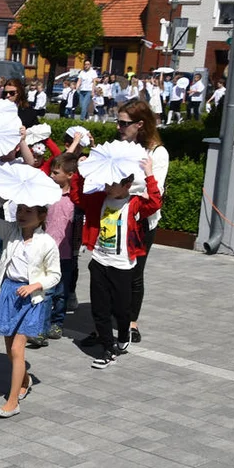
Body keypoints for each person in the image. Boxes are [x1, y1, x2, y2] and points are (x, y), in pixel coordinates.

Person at [75, 155, 161, 368]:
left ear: (127, 185)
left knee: (122, 310)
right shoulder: (99, 199)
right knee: (100, 308)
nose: (108, 186)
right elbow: (79, 198)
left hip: (123, 265)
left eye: (113, 183)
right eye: (106, 182)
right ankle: (107, 348)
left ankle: (123, 335)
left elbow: (155, 202)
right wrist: (80, 171)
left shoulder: (135, 203)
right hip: (100, 261)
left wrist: (149, 174)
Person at [0, 201, 61, 417]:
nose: (22, 215)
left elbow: (55, 274)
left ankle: (13, 401)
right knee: (10, 350)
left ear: (42, 215)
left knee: (17, 350)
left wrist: (36, 285)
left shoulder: (47, 242)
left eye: (29, 211)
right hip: (8, 294)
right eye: (20, 210)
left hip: (31, 298)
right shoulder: (10, 231)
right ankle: (25, 380)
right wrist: (1, 199)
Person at [117, 99, 169, 344]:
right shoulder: (121, 146)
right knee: (112, 271)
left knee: (135, 273)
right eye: (118, 121)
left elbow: (153, 191)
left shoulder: (157, 153)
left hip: (141, 221)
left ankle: (131, 322)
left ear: (140, 124)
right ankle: (107, 322)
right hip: (116, 216)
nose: (119, 127)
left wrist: (125, 184)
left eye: (124, 123)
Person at [28, 152, 79, 348]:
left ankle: (57, 322)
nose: (51, 175)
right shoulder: (47, 195)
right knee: (45, 291)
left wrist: (77, 248)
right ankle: (40, 328)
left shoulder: (74, 200)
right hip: (46, 252)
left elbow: (77, 227)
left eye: (56, 172)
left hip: (66, 254)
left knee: (61, 292)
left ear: (70, 175)